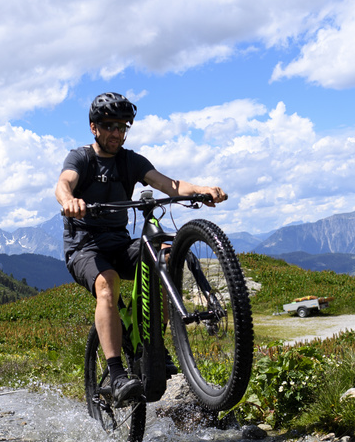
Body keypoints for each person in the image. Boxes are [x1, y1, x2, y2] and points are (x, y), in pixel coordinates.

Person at [56, 92, 227, 405]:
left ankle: (153, 349)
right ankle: (117, 372)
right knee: (106, 285)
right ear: (94, 128)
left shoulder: (130, 161)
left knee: (163, 261)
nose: (116, 133)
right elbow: (64, 182)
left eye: (122, 126)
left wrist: (201, 189)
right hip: (84, 247)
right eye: (109, 126)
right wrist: (69, 200)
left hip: (119, 243)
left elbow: (170, 185)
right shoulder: (81, 158)